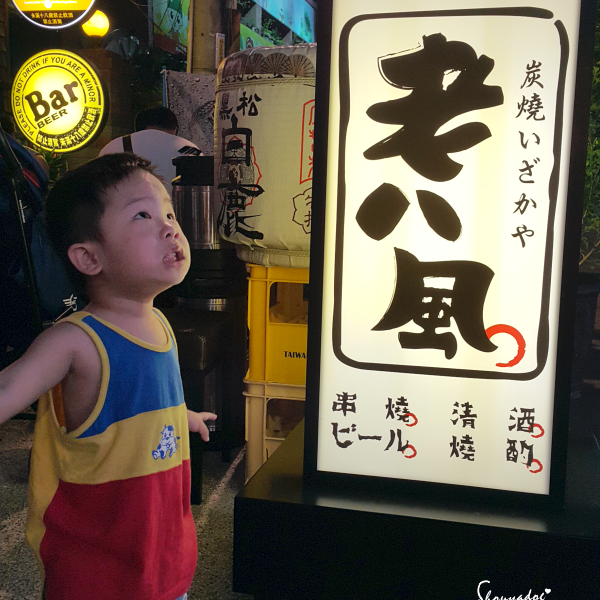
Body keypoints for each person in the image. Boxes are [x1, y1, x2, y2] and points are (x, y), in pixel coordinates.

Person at [0, 152, 216, 600]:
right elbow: (8, 389)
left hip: (161, 557)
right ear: (88, 257)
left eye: (169, 212)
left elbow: (142, 400)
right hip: (96, 572)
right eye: (142, 215)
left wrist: (182, 416)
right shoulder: (75, 341)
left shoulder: (159, 323)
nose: (170, 228)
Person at [99, 107, 201, 196]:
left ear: (137, 129)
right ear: (174, 130)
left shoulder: (112, 148)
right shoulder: (191, 150)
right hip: (178, 211)